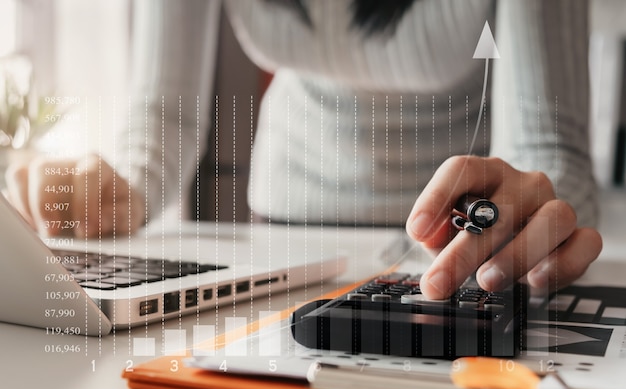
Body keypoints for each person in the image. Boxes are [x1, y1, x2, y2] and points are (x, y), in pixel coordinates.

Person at [4, 0, 602, 300]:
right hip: (279, 232)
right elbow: (161, 118)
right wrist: (112, 189)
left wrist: (531, 216)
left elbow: (549, 152)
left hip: (457, 246)